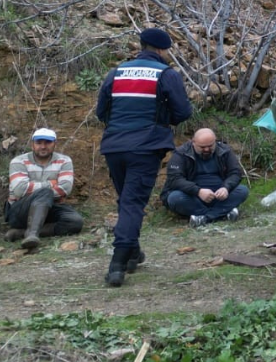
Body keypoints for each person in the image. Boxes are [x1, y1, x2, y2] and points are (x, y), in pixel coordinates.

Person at [96, 27, 193, 288]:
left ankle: (132, 255)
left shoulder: (116, 72)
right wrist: (163, 121)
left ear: (142, 45)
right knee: (132, 203)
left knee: (127, 200)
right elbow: (183, 112)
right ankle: (117, 263)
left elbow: (101, 111)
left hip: (114, 146)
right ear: (162, 50)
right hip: (146, 146)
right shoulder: (166, 73)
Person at [5, 128, 84, 249]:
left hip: (50, 207)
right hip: (20, 210)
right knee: (45, 192)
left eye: (47, 143)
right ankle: (32, 234)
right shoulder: (18, 161)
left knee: (75, 221)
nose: (43, 146)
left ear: (54, 144)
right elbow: (20, 190)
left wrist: (35, 188)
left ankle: (21, 233)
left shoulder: (64, 161)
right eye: (39, 143)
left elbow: (65, 189)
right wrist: (51, 184)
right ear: (32, 145)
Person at [160, 128, 250, 227]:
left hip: (219, 196)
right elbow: (175, 179)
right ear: (193, 142)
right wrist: (198, 191)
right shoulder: (181, 154)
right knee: (175, 198)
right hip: (193, 198)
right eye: (202, 147)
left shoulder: (224, 150)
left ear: (215, 141)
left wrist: (226, 188)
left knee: (242, 190)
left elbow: (235, 173)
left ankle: (205, 218)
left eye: (210, 146)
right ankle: (222, 214)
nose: (207, 149)